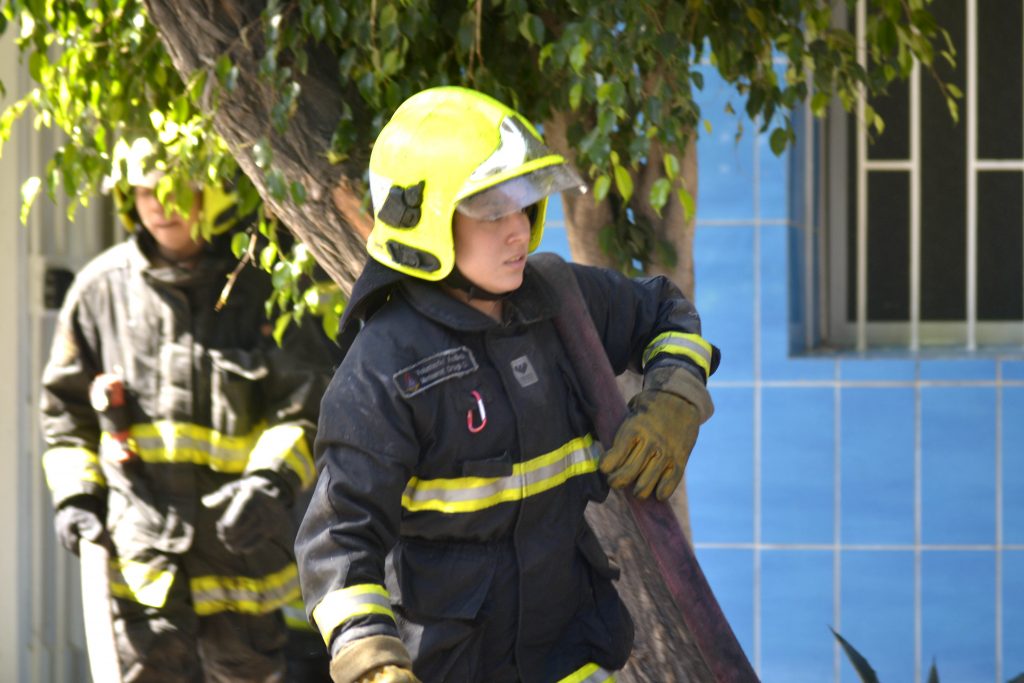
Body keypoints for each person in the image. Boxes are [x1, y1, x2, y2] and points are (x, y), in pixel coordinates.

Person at [296, 86, 720, 683]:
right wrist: (370, 661)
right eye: (492, 211)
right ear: (423, 220)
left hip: (572, 663)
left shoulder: (564, 303)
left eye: (523, 205)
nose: (519, 230)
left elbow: (667, 315)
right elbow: (337, 540)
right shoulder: (384, 370)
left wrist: (676, 396)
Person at [40, 138, 338, 682]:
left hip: (241, 562)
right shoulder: (99, 292)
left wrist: (269, 484)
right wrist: (76, 497)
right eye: (145, 189)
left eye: (175, 187)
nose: (158, 202)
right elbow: (66, 416)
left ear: (213, 190)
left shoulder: (263, 288)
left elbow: (307, 404)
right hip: (143, 562)